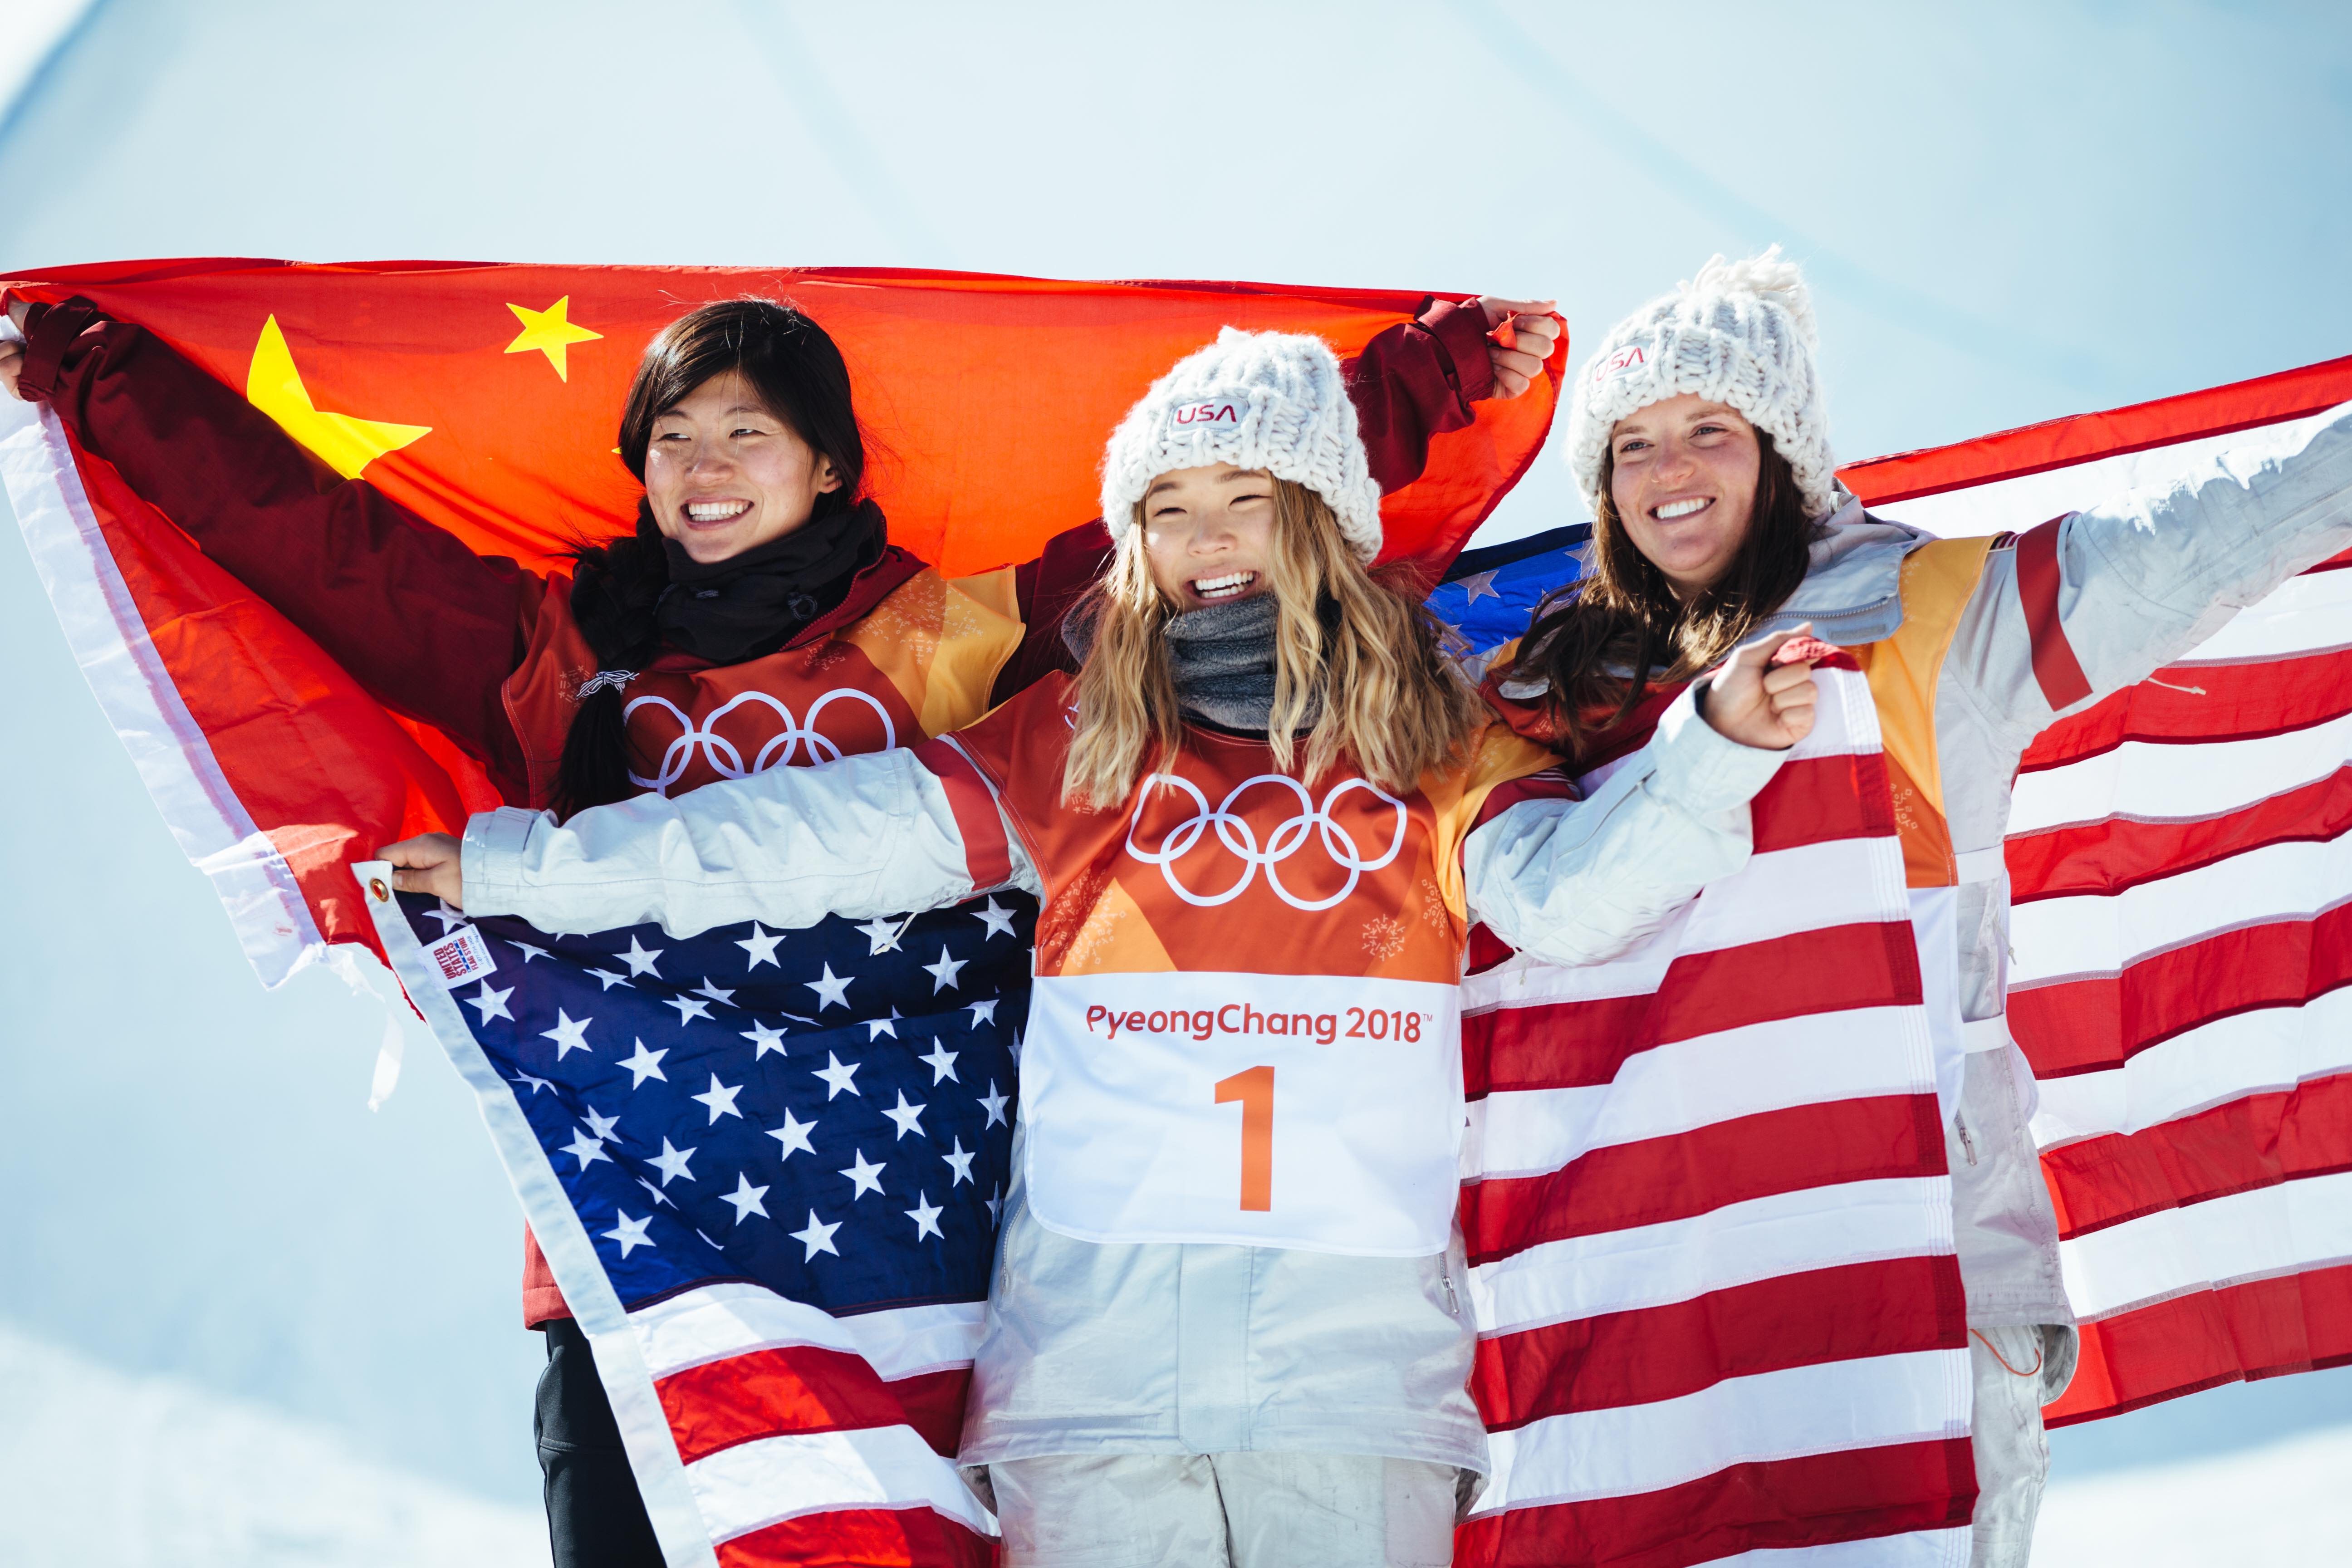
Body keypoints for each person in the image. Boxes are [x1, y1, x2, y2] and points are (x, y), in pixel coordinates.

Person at [0, 285, 1560, 1568]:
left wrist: (1417, 380)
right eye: (672, 438)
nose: (705, 465)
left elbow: (1203, 511)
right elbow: (317, 543)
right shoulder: (556, 654)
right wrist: (102, 376)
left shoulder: (955, 635)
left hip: (901, 1213)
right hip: (648, 1202)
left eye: (750, 431)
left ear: (830, 468)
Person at [383, 326, 1824, 1567]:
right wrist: (527, 866)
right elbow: (800, 842)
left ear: (1320, 517)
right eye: (1172, 508)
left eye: (1246, 500)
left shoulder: (1437, 744)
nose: (1208, 541)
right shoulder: (1073, 744)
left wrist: (1712, 755)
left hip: (1354, 1403)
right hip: (1092, 1405)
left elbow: (1572, 898)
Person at [1490, 250, 2352, 1568]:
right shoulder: (1572, 696)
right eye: (1633, 446)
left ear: (1781, 452)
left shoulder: (1937, 613)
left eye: (1710, 430)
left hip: (1925, 1274)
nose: (1670, 471)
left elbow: (2216, 531)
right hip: (1665, 1289)